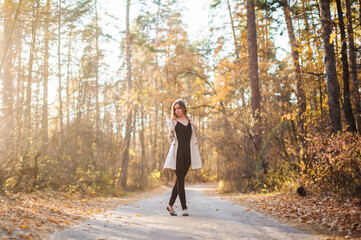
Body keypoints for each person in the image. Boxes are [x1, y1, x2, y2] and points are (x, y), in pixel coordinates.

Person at [163, 99, 202, 216]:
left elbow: (195, 137)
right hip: (178, 154)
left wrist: (195, 127)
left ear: (183, 108)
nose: (177, 111)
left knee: (179, 181)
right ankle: (184, 208)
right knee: (181, 180)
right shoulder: (173, 121)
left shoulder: (190, 120)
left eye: (178, 108)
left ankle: (170, 205)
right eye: (175, 109)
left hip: (188, 154)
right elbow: (170, 138)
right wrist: (171, 130)